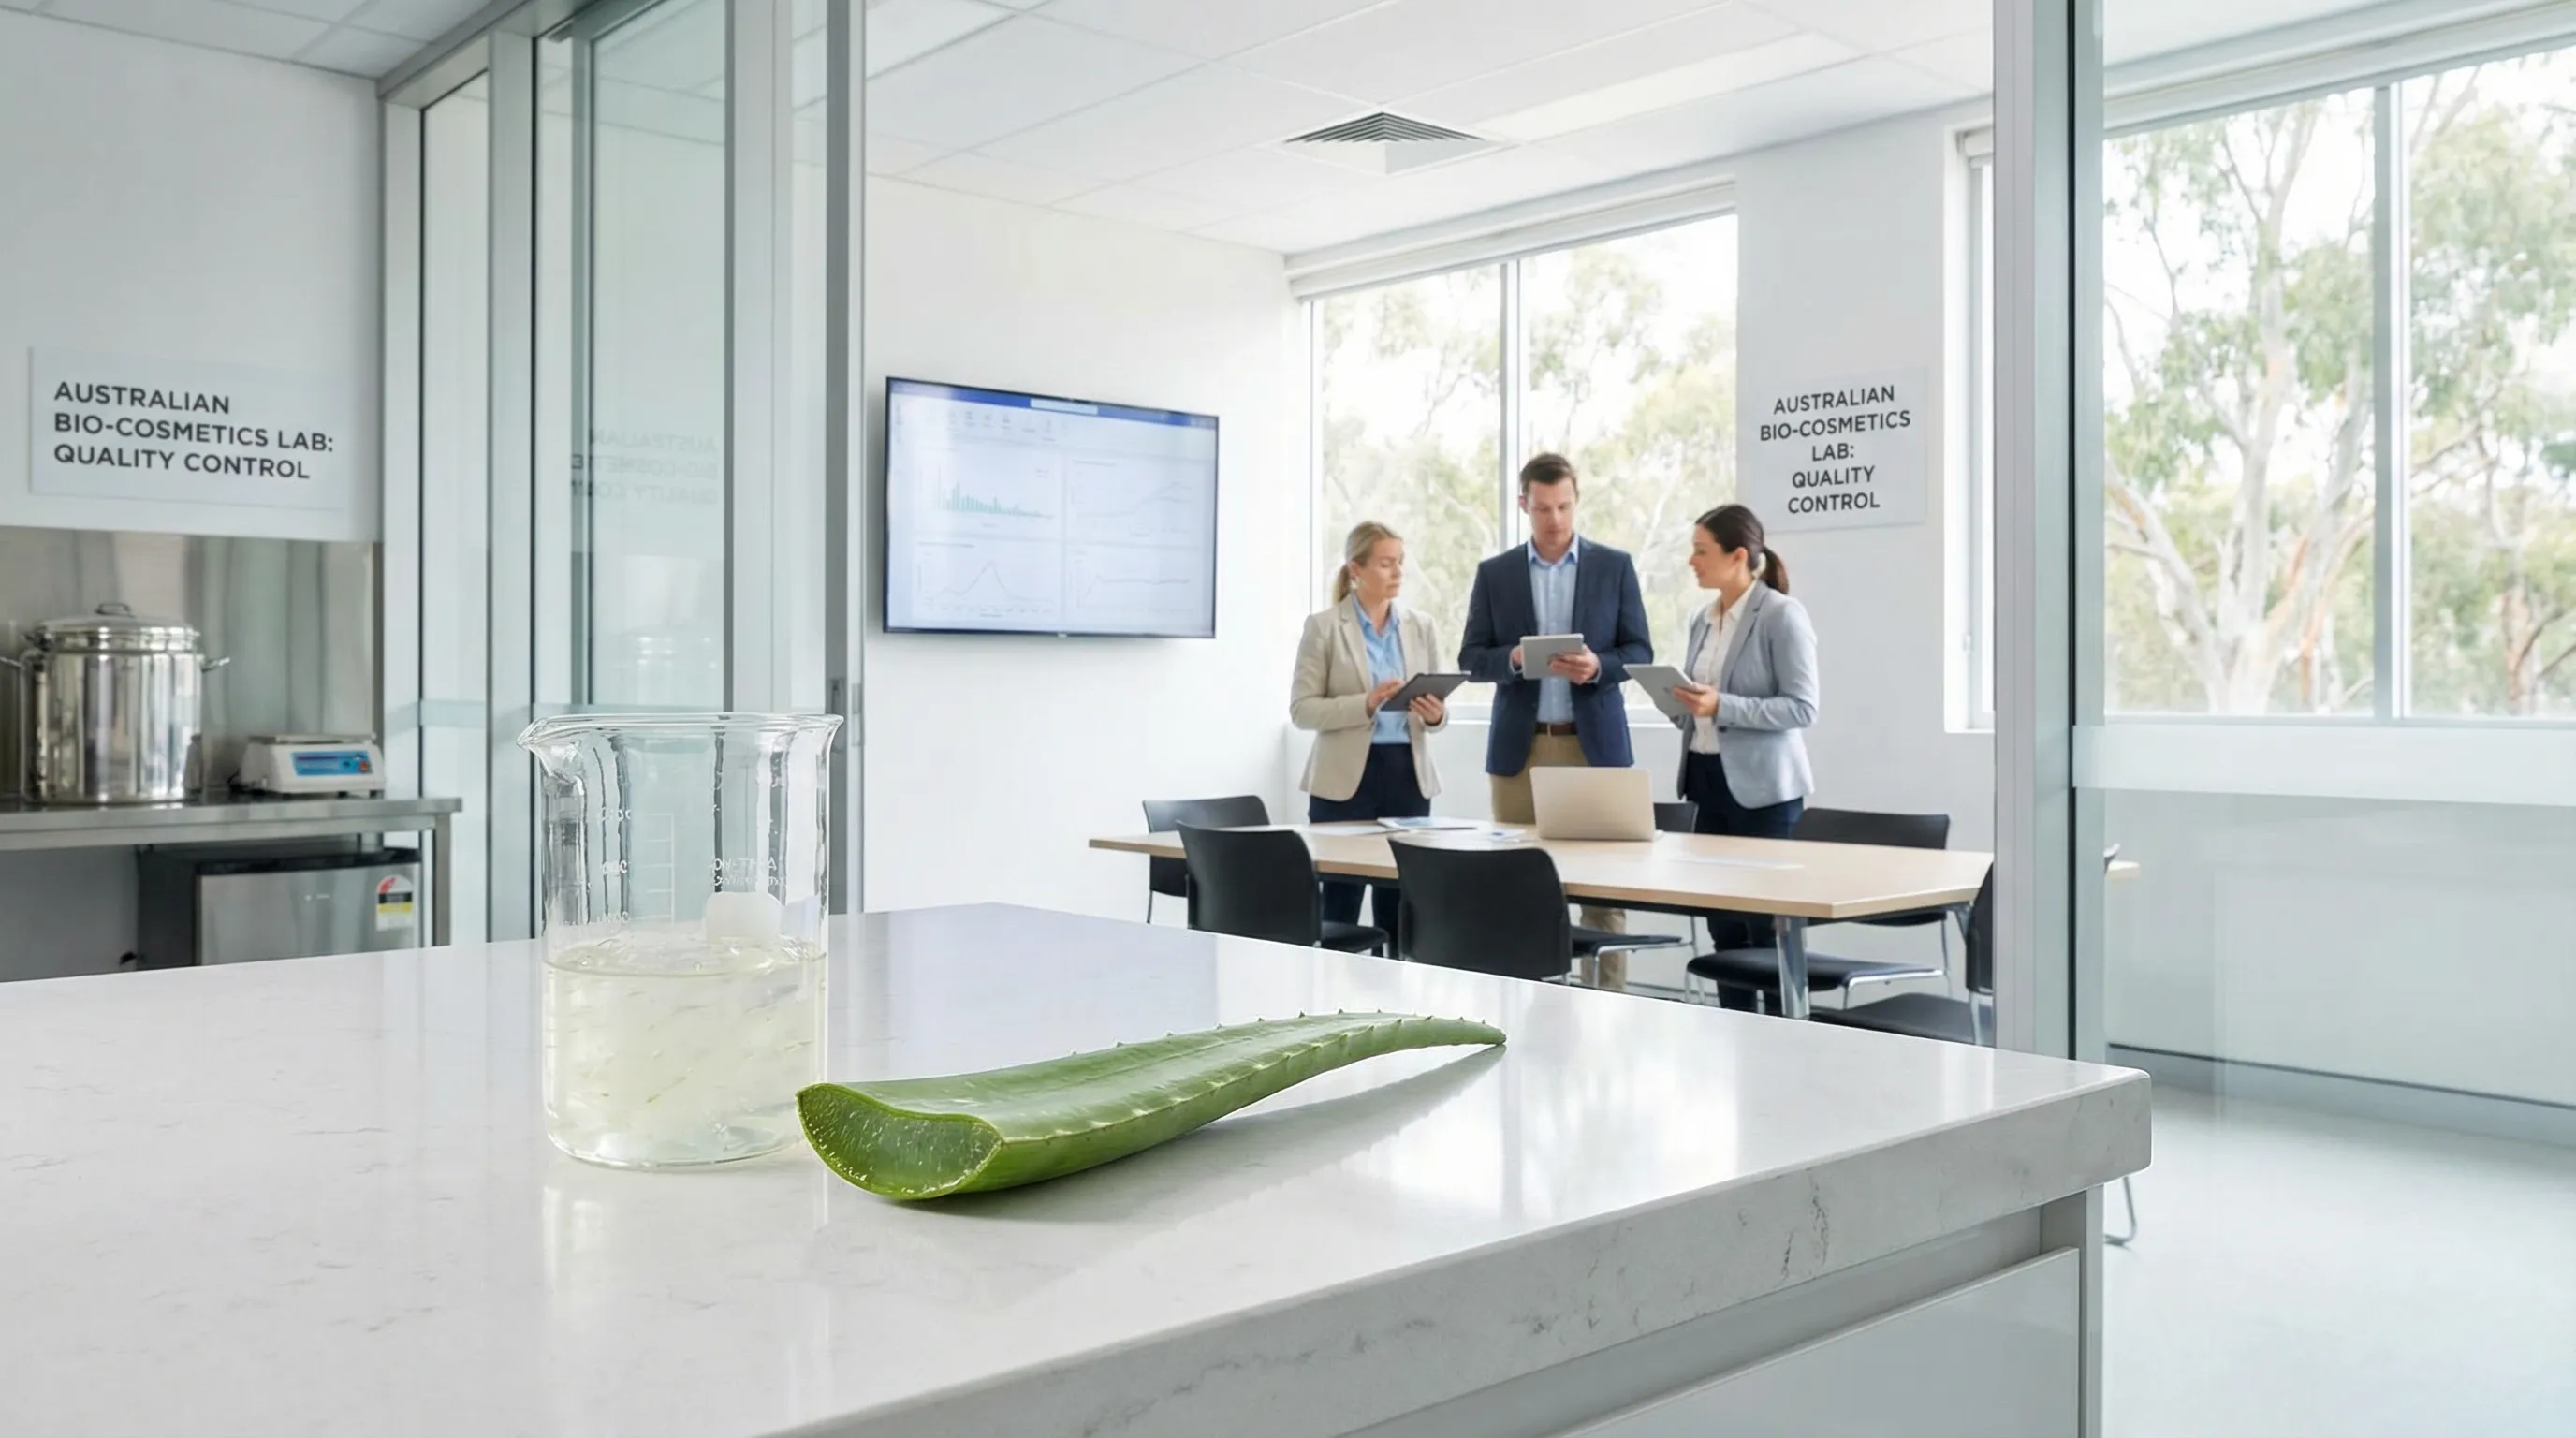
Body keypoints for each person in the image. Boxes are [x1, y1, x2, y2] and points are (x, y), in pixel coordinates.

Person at [1458, 453, 1652, 982]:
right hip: (1522, 752)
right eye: (1543, 508)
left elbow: (1640, 651)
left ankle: (1609, 1009)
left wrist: (1598, 666)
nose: (1555, 519)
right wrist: (1514, 660)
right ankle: (1524, 1007)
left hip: (1594, 749)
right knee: (1516, 886)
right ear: (1524, 505)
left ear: (1576, 501)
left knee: (1605, 891)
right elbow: (1471, 660)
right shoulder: (1495, 574)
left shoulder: (1614, 567)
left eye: (1564, 506)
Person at [1663, 504, 1818, 1005]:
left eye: (1701, 551)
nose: (1692, 561)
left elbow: (1801, 707)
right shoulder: (1701, 620)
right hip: (1706, 781)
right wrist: (1679, 703)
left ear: (1738, 556)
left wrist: (1720, 704)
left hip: (1764, 793)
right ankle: (1735, 1033)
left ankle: (1779, 1037)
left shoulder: (1780, 615)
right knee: (1723, 927)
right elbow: (1700, 703)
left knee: (1763, 931)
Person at [1292, 521, 1449, 939]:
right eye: (1385, 563)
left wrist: (1435, 715)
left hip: (1407, 778)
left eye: (1400, 562)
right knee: (1341, 902)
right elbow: (1302, 710)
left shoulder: (1421, 626)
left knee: (1401, 904)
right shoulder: (1324, 627)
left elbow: (1438, 714)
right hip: (1344, 784)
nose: (1397, 572)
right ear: (1356, 569)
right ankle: (1330, 995)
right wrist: (1365, 703)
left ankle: (1397, 999)